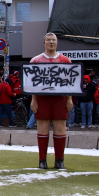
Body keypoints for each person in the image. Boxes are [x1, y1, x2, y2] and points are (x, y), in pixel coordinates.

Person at [30, 33, 75, 170]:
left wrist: (69, 99)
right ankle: (42, 160)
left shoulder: (65, 61)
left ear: (57, 42)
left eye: (53, 40)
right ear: (44, 42)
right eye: (49, 40)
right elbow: (32, 84)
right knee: (42, 129)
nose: (51, 42)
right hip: (42, 99)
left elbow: (70, 82)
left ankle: (59, 160)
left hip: (60, 100)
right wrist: (34, 100)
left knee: (60, 129)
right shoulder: (35, 61)